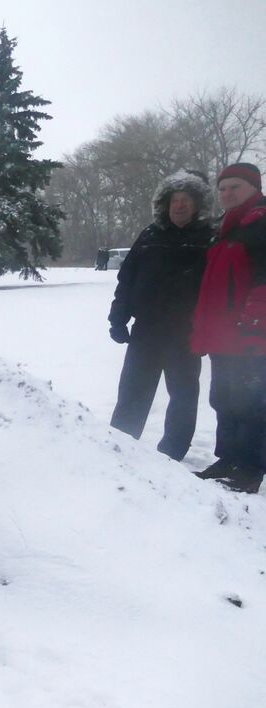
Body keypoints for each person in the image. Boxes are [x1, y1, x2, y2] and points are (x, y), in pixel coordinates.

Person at [106, 171, 213, 461]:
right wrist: (118, 317)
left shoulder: (209, 237)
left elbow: (217, 288)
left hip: (187, 332)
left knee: (183, 395)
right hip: (147, 330)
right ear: (165, 204)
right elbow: (127, 279)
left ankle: (172, 452)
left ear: (197, 205)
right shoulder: (150, 234)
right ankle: (121, 447)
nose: (179, 206)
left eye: (186, 200)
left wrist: (209, 329)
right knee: (133, 390)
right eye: (174, 200)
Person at [191, 162, 266, 494]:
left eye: (235, 186)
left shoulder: (260, 224)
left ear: (254, 188)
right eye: (222, 189)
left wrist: (255, 323)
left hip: (250, 336)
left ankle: (250, 469)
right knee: (224, 398)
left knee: (252, 401)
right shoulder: (226, 229)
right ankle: (228, 459)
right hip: (223, 335)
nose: (227, 193)